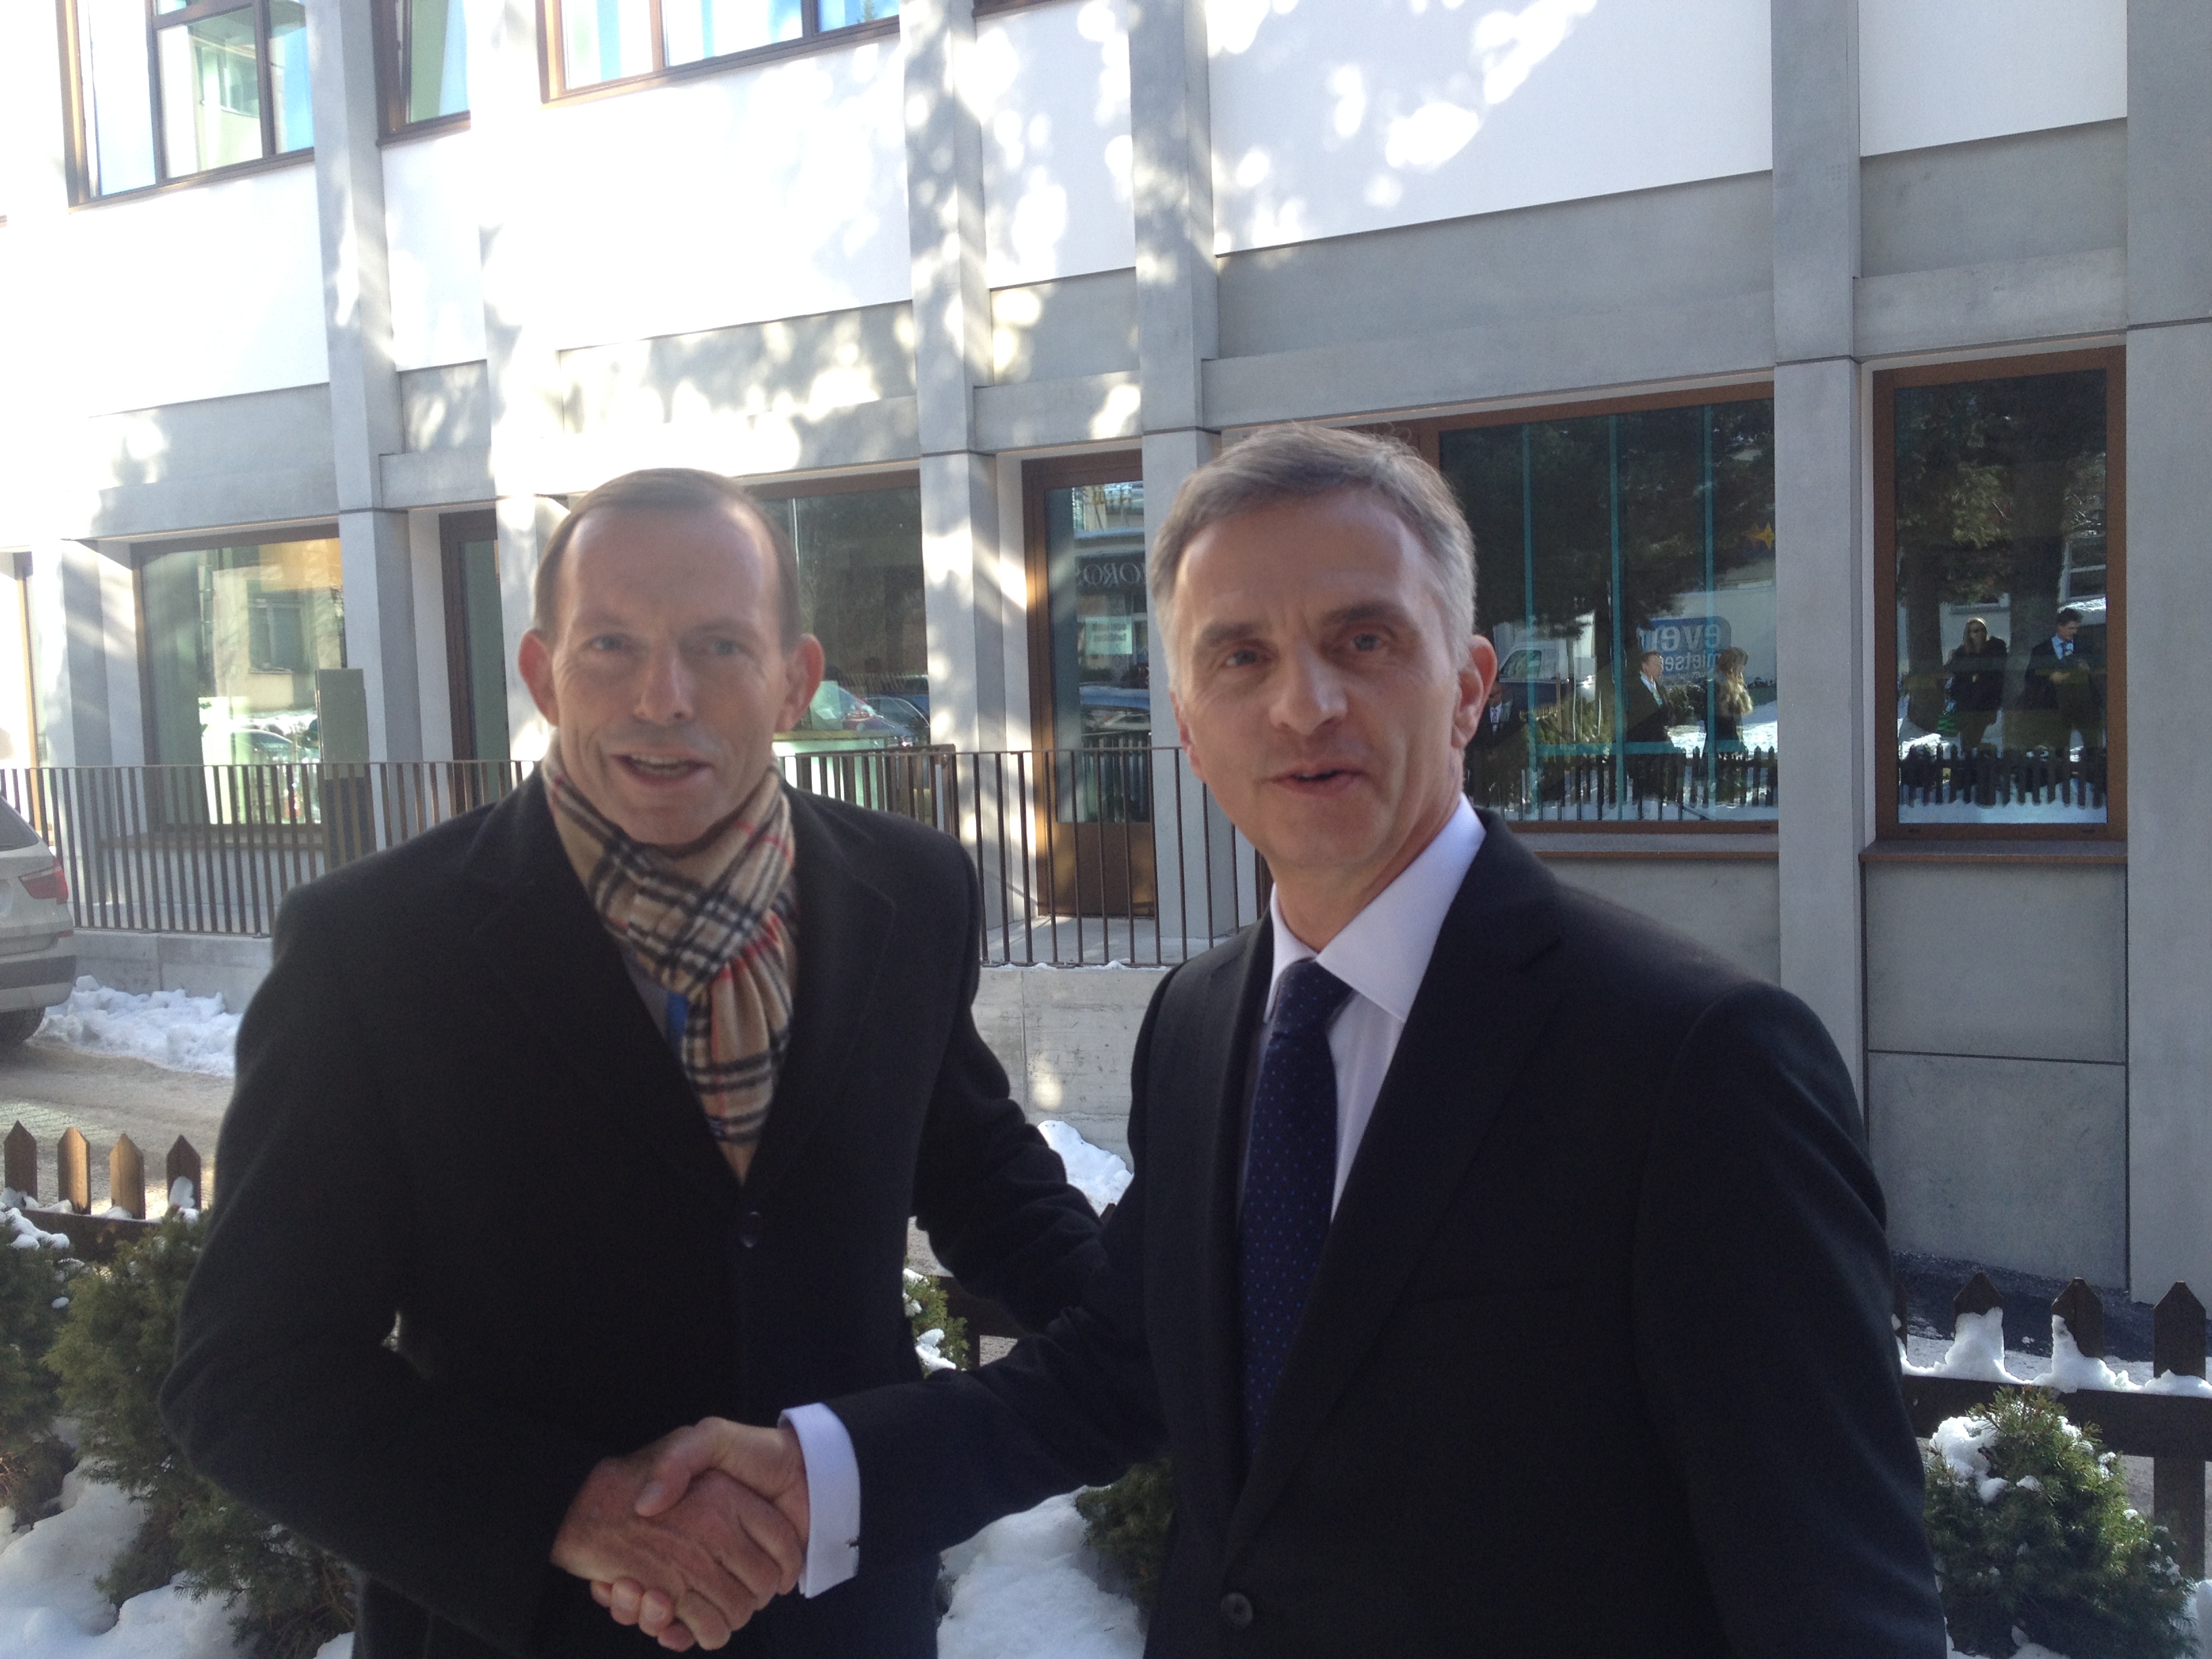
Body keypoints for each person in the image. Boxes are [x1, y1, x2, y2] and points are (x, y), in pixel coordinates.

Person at [611, 427, 1947, 1657]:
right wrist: (818, 1476)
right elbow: (1122, 1369)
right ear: (1188, 729)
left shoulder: (1695, 1064)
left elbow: (1840, 1608)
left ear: (1469, 684)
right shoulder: (1199, 1027)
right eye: (1238, 656)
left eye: (1364, 640)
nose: (1303, 704)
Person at [159, 468, 1106, 1659]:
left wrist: (1162, 1331)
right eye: (612, 644)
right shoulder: (376, 947)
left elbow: (980, 1177)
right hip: (528, 1632)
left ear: (795, 676)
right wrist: (576, 1509)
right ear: (542, 671)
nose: (664, 696)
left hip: (842, 1626)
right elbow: (247, 1371)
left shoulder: (906, 892)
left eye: (718, 644)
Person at [2016, 607, 2104, 760]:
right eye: (2070, 628)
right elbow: (2031, 677)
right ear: (2060, 626)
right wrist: (2050, 678)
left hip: (2084, 704)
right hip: (2055, 706)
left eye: (2076, 628)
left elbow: (2101, 668)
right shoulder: (2041, 650)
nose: (2074, 632)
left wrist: (2088, 669)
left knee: (2093, 746)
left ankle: (2090, 776)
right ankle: (2059, 778)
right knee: (2059, 748)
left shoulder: (2085, 646)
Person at [1460, 674, 1526, 808]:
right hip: (1483, 763)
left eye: (1492, 696)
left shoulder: (1511, 714)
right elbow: (1475, 739)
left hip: (1504, 763)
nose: (1489, 700)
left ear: (1500, 694)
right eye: (1487, 696)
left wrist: (1501, 753)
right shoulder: (1480, 714)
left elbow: (1516, 738)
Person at [1943, 617, 2007, 754]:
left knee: (1979, 735)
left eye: (1982, 630)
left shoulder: (1994, 647)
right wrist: (1951, 659)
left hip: (1987, 701)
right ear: (1969, 634)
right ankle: (1971, 763)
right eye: (1975, 631)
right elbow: (1950, 671)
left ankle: (1982, 758)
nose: (1980, 634)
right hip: (1966, 703)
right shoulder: (1962, 653)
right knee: (1968, 740)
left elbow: (1998, 670)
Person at [1710, 644, 1755, 750]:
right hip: (1722, 743)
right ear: (1731, 664)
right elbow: (1722, 717)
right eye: (1740, 664)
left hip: (1733, 740)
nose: (1742, 668)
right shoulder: (1719, 685)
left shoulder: (1736, 686)